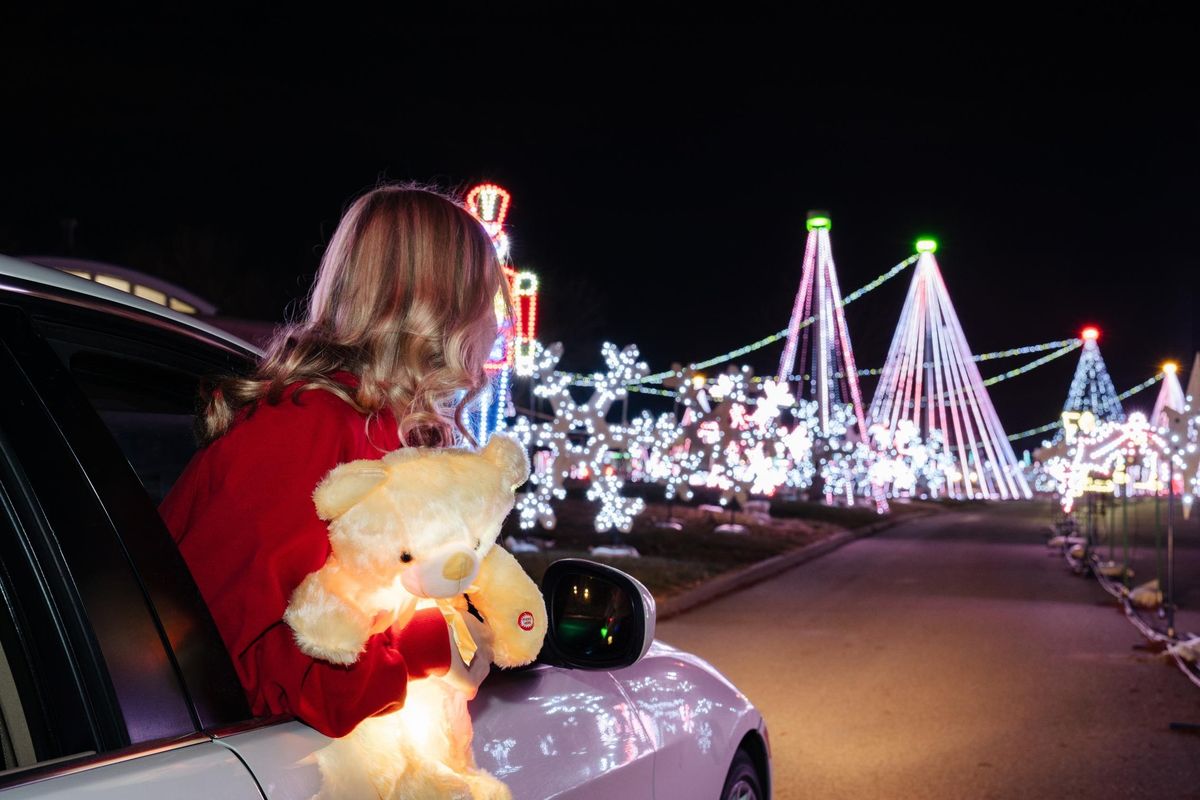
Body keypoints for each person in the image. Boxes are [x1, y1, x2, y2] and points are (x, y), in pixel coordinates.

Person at [160, 184, 504, 739]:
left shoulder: (377, 430)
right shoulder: (306, 427)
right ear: (443, 304)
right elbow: (233, 669)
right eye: (488, 295)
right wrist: (425, 649)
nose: (494, 317)